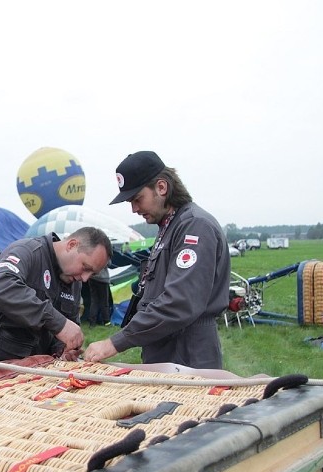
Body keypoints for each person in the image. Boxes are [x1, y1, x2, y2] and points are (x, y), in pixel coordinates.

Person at [84, 151, 230, 369]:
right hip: (164, 348)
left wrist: (116, 343)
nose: (134, 209)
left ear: (161, 188)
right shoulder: (170, 226)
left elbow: (180, 302)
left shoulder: (194, 226)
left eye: (137, 199)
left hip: (187, 352)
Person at [0, 227, 113, 366]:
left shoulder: (74, 280)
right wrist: (58, 323)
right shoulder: (27, 251)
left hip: (38, 371)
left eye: (92, 273)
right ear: (72, 245)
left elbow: (67, 326)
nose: (85, 278)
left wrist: (63, 349)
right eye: (85, 267)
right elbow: (1, 287)